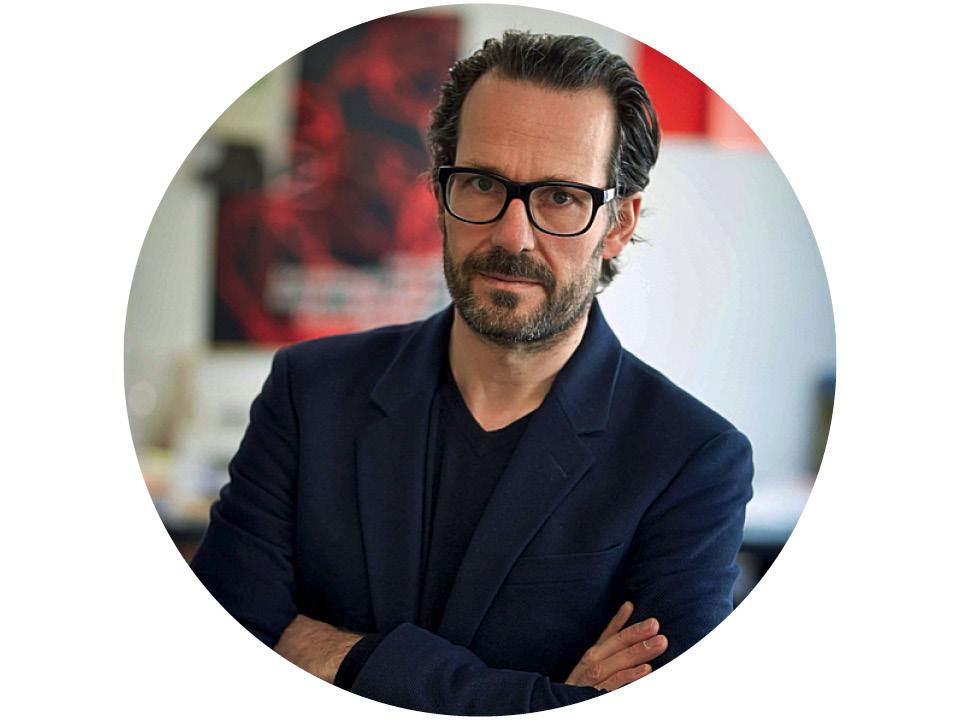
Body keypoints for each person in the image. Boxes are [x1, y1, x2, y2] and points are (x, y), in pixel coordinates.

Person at [191, 31, 753, 715]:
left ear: (618, 223)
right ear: (439, 192)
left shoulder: (691, 459)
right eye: (483, 184)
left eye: (560, 197)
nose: (513, 236)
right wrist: (549, 695)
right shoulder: (310, 392)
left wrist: (348, 657)